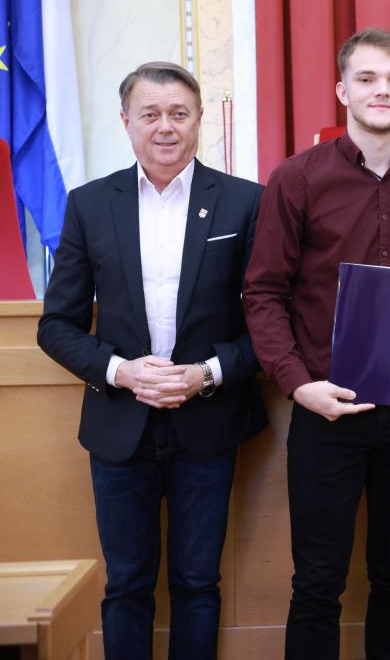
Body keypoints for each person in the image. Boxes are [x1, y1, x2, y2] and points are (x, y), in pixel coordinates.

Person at [243, 28, 390, 660]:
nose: (382, 91)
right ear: (342, 90)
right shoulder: (295, 179)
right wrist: (299, 386)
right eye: (367, 78)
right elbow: (263, 293)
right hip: (326, 407)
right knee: (317, 583)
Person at [37, 62, 266, 658]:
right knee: (126, 586)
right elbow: (56, 327)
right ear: (126, 122)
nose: (166, 126)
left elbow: (269, 325)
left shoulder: (245, 202)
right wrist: (122, 371)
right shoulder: (89, 205)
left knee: (198, 583)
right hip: (119, 426)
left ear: (198, 121)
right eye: (151, 114)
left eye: (179, 113)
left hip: (208, 424)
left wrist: (204, 375)